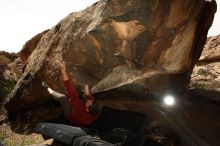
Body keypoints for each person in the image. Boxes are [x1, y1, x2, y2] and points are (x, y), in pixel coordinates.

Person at [42, 60, 100, 126]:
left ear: (87, 110)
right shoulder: (94, 107)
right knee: (81, 88)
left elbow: (71, 90)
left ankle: (48, 89)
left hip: (71, 116)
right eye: (90, 100)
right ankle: (72, 96)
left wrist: (63, 70)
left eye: (88, 102)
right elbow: (87, 94)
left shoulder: (79, 108)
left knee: (63, 98)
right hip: (82, 116)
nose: (89, 100)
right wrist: (86, 81)